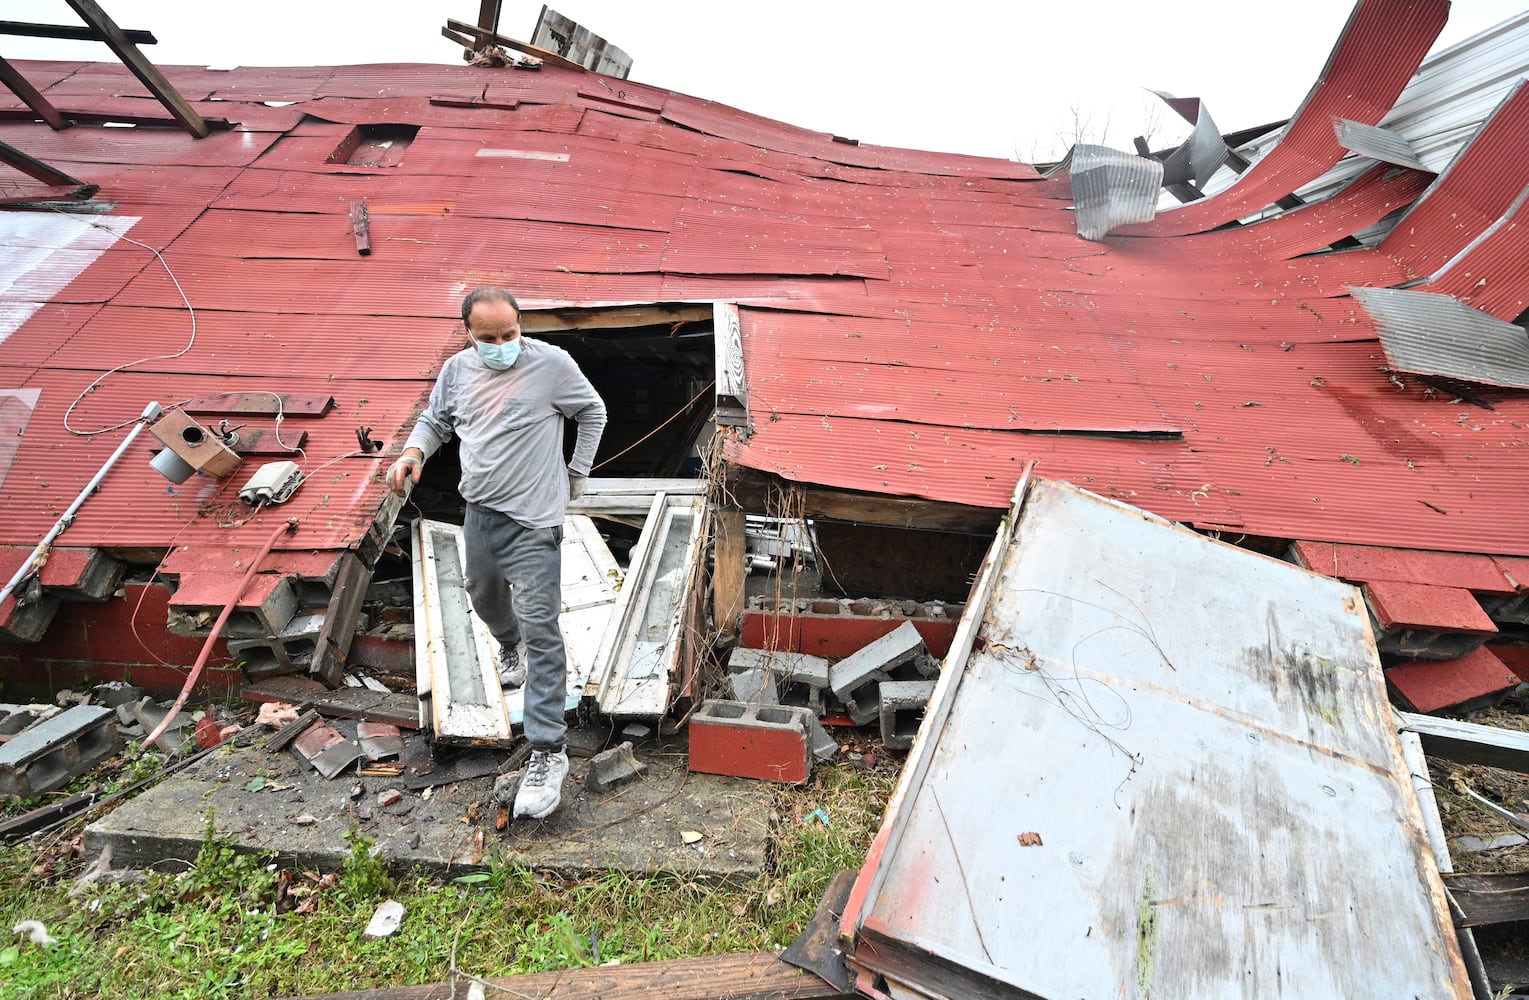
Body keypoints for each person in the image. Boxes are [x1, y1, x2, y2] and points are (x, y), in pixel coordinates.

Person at [388, 286, 606, 820]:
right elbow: (436, 421)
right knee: (483, 595)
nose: (501, 345)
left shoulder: (552, 365)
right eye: (488, 338)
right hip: (481, 511)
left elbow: (591, 412)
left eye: (509, 334)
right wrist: (414, 452)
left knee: (543, 627)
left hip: (535, 519)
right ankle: (510, 647)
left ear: (520, 325)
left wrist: (575, 472)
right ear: (469, 334)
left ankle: (548, 751)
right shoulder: (458, 372)